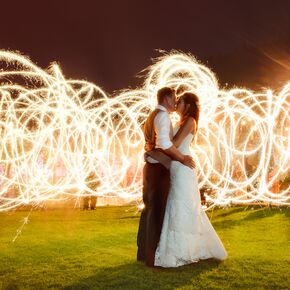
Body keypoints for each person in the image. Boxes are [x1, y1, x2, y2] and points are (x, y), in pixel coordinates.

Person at [154, 92, 228, 267]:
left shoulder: (190, 121)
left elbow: (176, 143)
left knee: (184, 204)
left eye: (180, 102)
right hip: (178, 165)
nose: (176, 103)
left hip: (184, 165)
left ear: (187, 106)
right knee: (177, 204)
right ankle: (178, 248)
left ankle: (186, 249)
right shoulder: (180, 122)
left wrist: (163, 139)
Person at [136, 87, 196, 267]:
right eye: (175, 98)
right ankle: (151, 257)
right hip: (158, 169)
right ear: (167, 98)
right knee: (156, 212)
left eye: (179, 100)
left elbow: (157, 142)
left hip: (153, 167)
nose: (176, 101)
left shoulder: (154, 115)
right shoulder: (162, 117)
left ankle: (142, 251)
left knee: (149, 210)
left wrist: (151, 150)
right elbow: (165, 143)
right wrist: (181, 158)